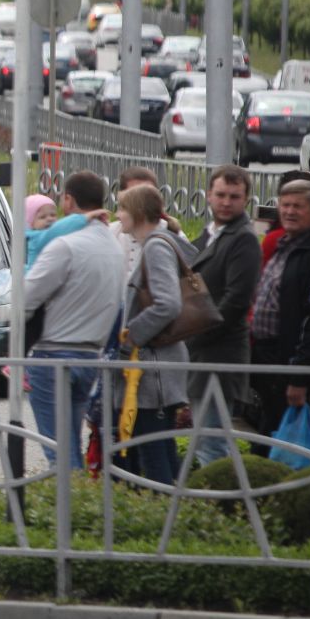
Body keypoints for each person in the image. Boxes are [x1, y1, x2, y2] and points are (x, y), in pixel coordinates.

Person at [23, 170, 126, 468]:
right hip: (90, 355)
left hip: (54, 355)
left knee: (59, 451)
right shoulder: (113, 247)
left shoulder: (65, 246)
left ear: (68, 200)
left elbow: (26, 298)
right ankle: (80, 507)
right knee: (71, 447)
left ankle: (65, 511)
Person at [248, 178, 310, 437]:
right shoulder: (284, 247)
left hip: (296, 366)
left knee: (295, 446)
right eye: (285, 205)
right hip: (270, 361)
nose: (290, 212)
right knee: (267, 437)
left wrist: (299, 377)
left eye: (298, 206)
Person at [118, 183, 199, 487]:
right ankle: (171, 516)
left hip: (156, 369)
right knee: (160, 449)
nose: (118, 215)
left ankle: (164, 520)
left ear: (137, 213)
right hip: (159, 366)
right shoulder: (158, 243)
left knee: (155, 454)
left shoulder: (155, 246)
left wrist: (131, 335)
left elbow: (168, 304)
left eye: (122, 208)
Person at [186, 165, 262, 464]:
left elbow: (236, 300)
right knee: (208, 439)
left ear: (246, 200)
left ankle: (223, 506)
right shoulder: (212, 233)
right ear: (208, 196)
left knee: (211, 442)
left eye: (234, 196)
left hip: (220, 352)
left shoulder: (243, 238)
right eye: (220, 195)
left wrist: (194, 333)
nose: (226, 202)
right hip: (204, 351)